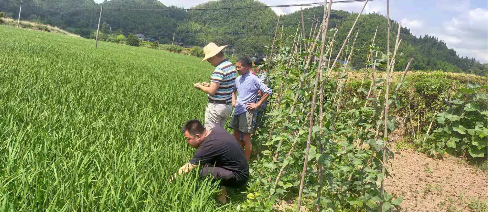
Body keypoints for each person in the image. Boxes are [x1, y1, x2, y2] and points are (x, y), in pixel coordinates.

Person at [173, 119, 249, 204]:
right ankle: (224, 192)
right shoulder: (215, 130)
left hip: (239, 176)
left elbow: (188, 168)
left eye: (188, 139)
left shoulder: (209, 145)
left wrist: (171, 180)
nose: (187, 142)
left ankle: (222, 202)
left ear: (198, 136)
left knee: (205, 172)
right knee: (207, 163)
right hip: (240, 168)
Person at [231, 57, 272, 161]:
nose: (237, 69)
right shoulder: (237, 79)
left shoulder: (253, 78)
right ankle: (237, 158)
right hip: (237, 110)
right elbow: (233, 90)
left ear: (247, 67)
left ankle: (246, 161)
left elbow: (268, 91)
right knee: (236, 136)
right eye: (236, 67)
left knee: (245, 138)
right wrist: (233, 100)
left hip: (247, 111)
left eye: (239, 67)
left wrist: (257, 104)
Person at [194, 43, 236, 130]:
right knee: (219, 134)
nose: (209, 63)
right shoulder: (230, 66)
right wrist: (209, 85)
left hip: (216, 107)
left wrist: (199, 86)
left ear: (214, 56)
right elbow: (225, 84)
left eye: (209, 60)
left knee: (211, 135)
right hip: (227, 107)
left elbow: (212, 91)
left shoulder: (219, 69)